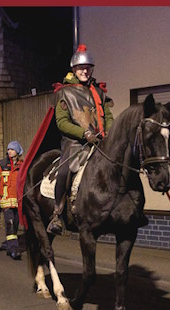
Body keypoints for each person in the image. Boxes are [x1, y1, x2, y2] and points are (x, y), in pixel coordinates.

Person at [47, 44, 114, 235]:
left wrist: (109, 130)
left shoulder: (98, 92)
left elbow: (108, 116)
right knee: (65, 170)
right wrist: (84, 134)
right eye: (81, 68)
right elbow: (61, 123)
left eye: (88, 67)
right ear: (74, 69)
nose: (85, 71)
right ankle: (57, 214)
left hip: (100, 142)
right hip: (75, 143)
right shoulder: (64, 92)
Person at [0, 142, 24, 259]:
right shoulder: (1, 164)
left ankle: (9, 248)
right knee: (10, 223)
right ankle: (14, 249)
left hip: (18, 201)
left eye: (12, 149)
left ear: (17, 152)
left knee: (16, 224)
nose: (9, 151)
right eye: (8, 149)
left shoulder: (22, 165)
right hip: (6, 200)